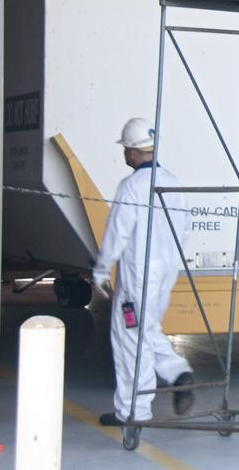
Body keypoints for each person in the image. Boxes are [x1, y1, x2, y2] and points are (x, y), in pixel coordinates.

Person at [93, 117, 194, 427]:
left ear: (134, 153)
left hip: (138, 278)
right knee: (146, 330)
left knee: (129, 341)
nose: (125, 154)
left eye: (126, 149)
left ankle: (132, 412)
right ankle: (178, 374)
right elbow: (185, 229)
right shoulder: (174, 182)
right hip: (165, 274)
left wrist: (100, 270)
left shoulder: (131, 187)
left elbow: (117, 233)